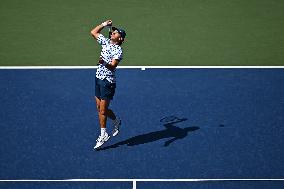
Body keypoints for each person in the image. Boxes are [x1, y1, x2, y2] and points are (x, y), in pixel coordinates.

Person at [90, 20, 126, 149]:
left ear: (119, 38)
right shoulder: (105, 42)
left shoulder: (118, 50)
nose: (112, 32)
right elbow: (93, 32)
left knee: (103, 110)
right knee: (100, 108)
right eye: (113, 31)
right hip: (98, 78)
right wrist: (104, 24)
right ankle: (116, 120)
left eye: (115, 32)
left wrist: (103, 62)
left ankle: (103, 134)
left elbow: (112, 66)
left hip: (107, 82)